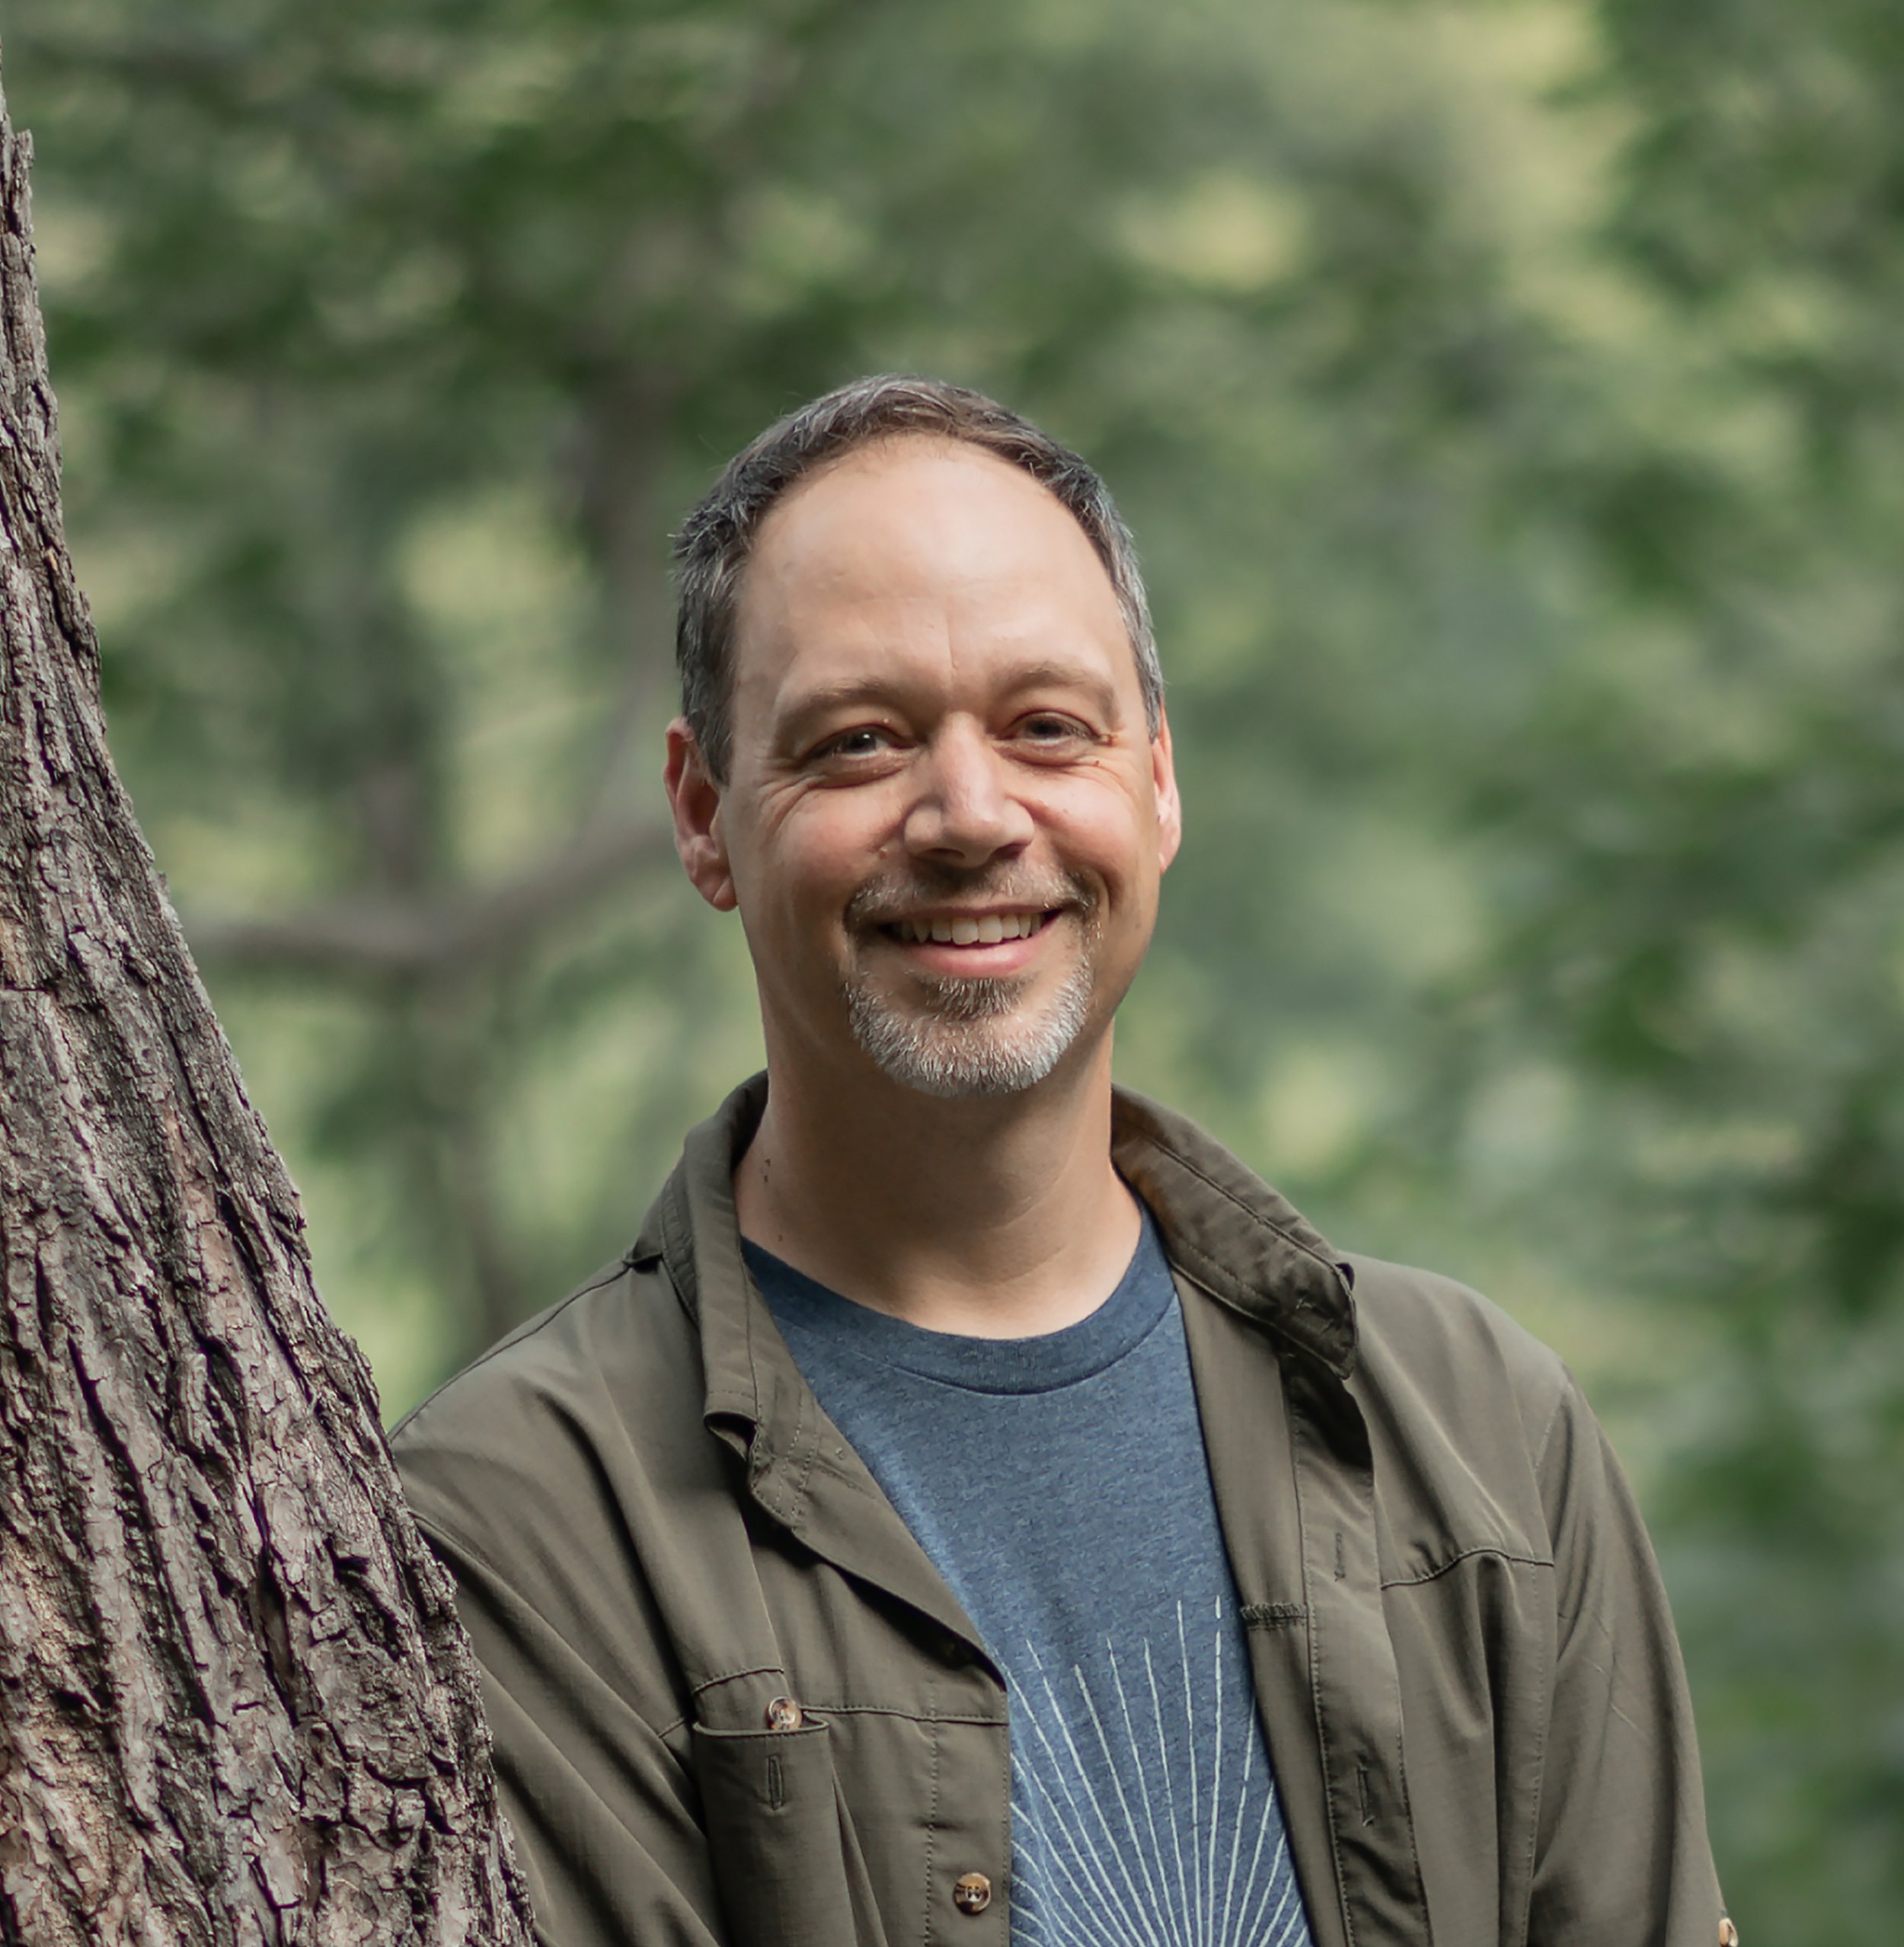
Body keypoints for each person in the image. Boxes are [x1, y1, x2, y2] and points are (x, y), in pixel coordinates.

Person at [392, 375, 1734, 1947]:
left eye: (1046, 727)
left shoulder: (1481, 1433)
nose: (968, 813)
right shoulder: (518, 1518)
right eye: (859, 740)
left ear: (1154, 780)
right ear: (703, 814)